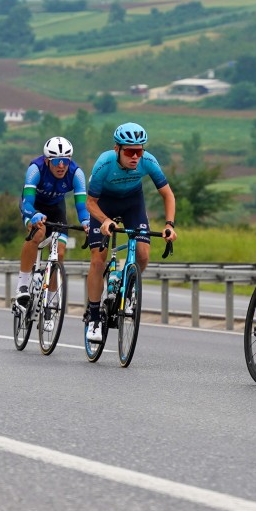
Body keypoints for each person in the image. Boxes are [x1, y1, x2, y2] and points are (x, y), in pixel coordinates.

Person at [83, 123, 177, 345]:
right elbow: (90, 202)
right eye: (129, 151)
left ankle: (127, 283)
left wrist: (170, 224)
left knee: (143, 255)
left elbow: (168, 195)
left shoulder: (148, 162)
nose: (135, 156)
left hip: (132, 203)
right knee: (98, 259)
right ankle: (94, 316)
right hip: (103, 204)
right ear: (117, 149)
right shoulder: (104, 164)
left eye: (139, 151)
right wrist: (104, 220)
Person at [17, 136, 91, 319]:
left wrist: (86, 222)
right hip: (34, 207)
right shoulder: (36, 169)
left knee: (60, 252)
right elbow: (26, 202)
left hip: (57, 209)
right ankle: (22, 286)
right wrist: (33, 215)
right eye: (57, 161)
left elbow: (82, 207)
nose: (61, 166)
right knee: (38, 234)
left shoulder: (76, 174)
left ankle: (50, 303)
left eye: (65, 161)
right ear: (47, 160)